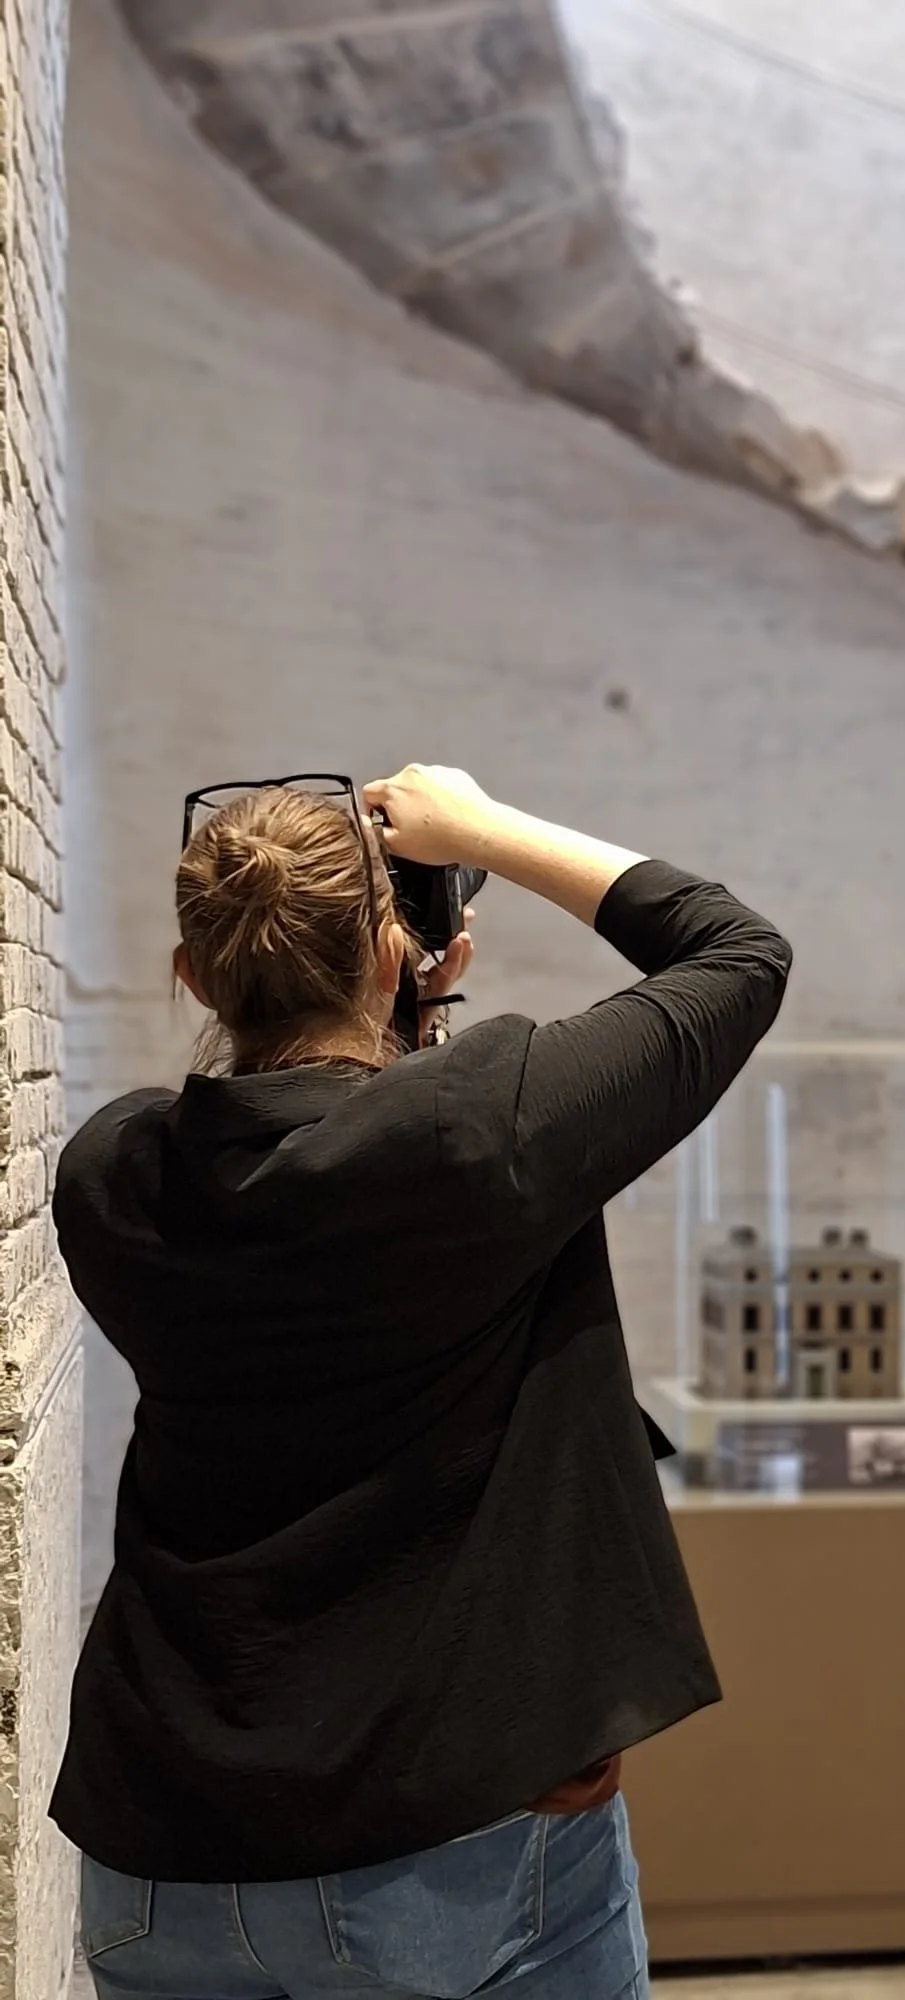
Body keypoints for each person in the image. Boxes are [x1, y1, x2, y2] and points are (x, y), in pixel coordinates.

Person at [54, 765, 792, 2000]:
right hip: (435, 1853)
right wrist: (480, 826)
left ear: (194, 978)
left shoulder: (110, 1172)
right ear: (403, 959)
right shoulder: (475, 1131)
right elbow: (737, 952)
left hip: (158, 1848)